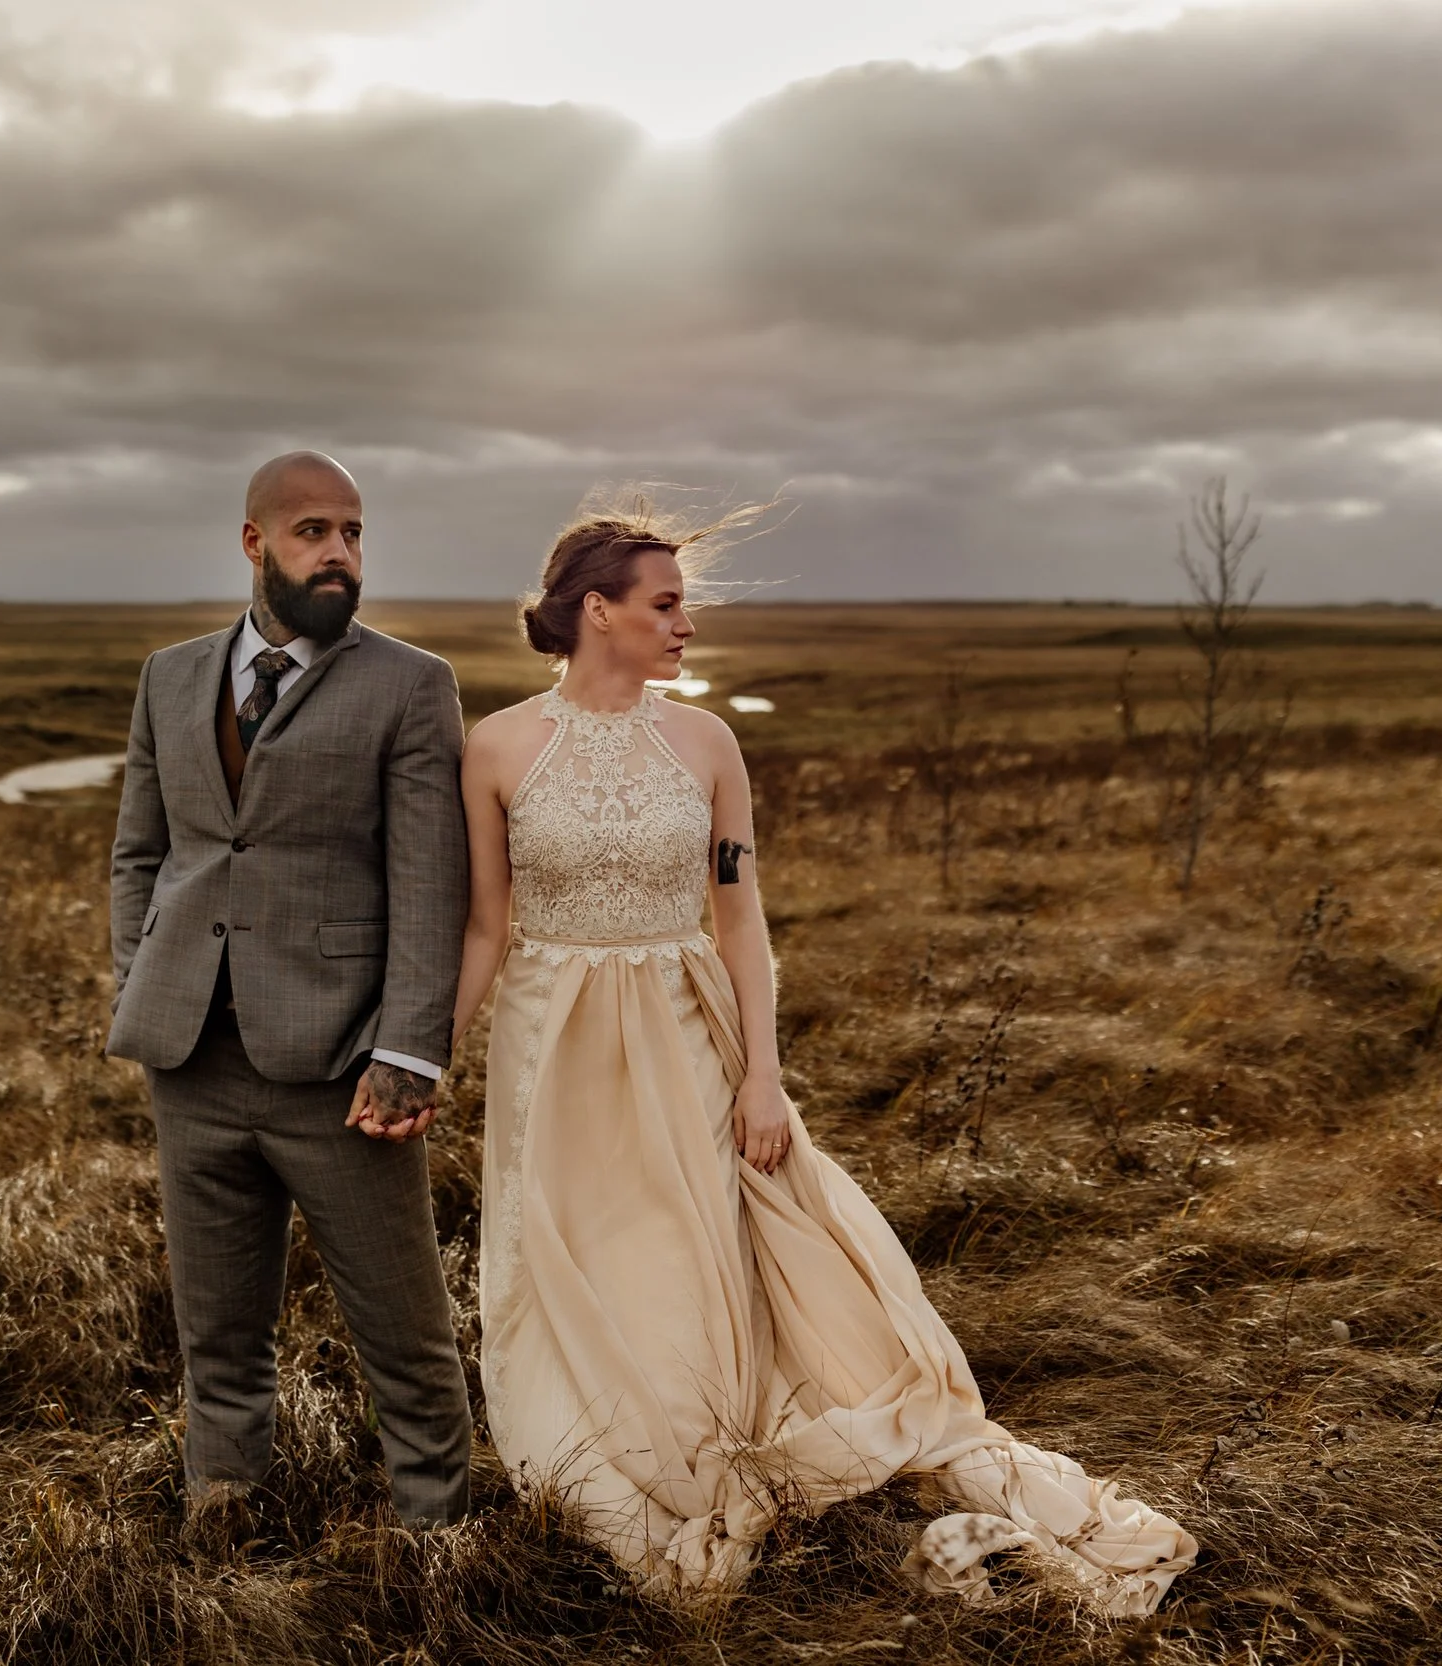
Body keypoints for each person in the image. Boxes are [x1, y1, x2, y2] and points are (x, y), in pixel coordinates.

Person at [452, 497, 1198, 1613]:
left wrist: (763, 1073)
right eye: (664, 605)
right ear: (596, 611)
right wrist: (418, 1061)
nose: (684, 626)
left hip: (686, 1018)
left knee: (712, 1235)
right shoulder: (497, 745)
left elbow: (740, 917)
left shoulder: (704, 741)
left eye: (684, 607)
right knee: (583, 1246)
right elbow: (483, 928)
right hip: (549, 1048)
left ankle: (737, 1425)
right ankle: (608, 1435)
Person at [106, 451, 473, 1542]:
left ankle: (436, 1540)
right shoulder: (170, 677)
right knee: (215, 1332)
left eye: (354, 532)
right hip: (191, 1059)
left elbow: (429, 884)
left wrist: (408, 1049)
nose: (341, 554)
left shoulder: (410, 684)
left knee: (402, 1334)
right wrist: (143, 978)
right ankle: (221, 1519)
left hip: (340, 1068)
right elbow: (141, 854)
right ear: (254, 542)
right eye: (315, 531)